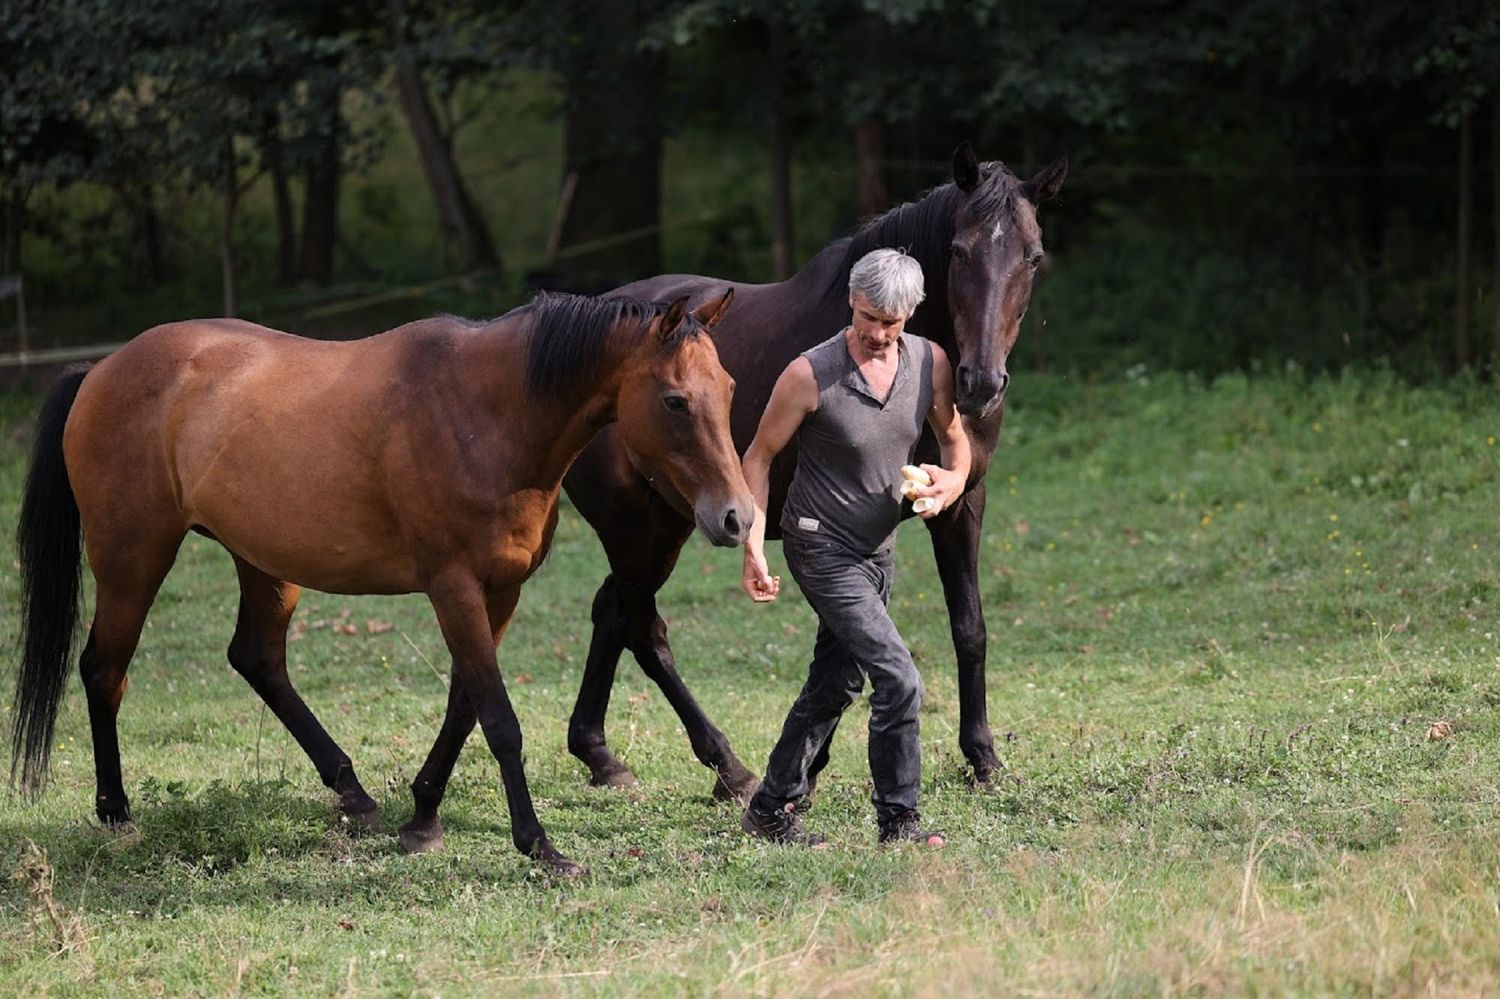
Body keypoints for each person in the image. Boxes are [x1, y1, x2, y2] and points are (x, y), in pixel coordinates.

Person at [739, 247, 971, 847]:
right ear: (851, 300)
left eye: (891, 322)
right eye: (869, 317)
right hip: (819, 545)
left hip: (878, 550)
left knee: (836, 682)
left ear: (910, 314)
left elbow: (954, 439)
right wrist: (753, 547)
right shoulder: (809, 374)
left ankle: (769, 809)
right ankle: (900, 820)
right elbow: (757, 458)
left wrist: (951, 481)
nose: (878, 333)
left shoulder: (929, 362)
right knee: (899, 679)